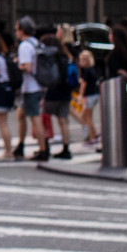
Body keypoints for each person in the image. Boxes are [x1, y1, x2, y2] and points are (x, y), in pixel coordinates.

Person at [39, 26, 75, 161]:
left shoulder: (50, 57)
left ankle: (45, 146)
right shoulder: (65, 55)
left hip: (53, 90)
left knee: (44, 118)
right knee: (63, 120)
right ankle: (66, 148)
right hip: (66, 90)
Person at [14, 18, 45, 160]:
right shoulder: (36, 42)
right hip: (37, 85)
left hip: (31, 87)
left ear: (22, 30)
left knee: (35, 118)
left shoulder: (25, 46)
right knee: (21, 114)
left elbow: (27, 66)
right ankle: (20, 144)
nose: (16, 33)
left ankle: (43, 149)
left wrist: (17, 64)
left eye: (17, 29)